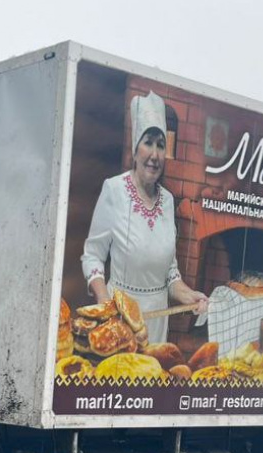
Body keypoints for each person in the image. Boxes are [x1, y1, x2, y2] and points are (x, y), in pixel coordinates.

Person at [80, 91, 208, 343]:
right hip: (119, 320)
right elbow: (92, 255)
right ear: (135, 149)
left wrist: (188, 294)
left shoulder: (168, 201)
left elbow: (170, 273)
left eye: (161, 145)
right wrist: (105, 304)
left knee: (150, 377)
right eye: (148, 142)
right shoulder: (114, 190)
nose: (155, 154)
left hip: (158, 323)